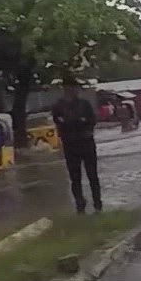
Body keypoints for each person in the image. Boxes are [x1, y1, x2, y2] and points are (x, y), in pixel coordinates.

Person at [51, 80, 102, 213]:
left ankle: (97, 203)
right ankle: (80, 204)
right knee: (75, 177)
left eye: (74, 88)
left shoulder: (84, 104)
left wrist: (79, 123)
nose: (73, 91)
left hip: (86, 142)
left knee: (92, 175)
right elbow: (58, 121)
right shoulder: (59, 106)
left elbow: (92, 120)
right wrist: (74, 122)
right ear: (65, 89)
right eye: (69, 88)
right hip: (70, 144)